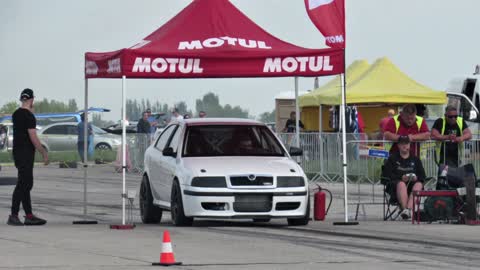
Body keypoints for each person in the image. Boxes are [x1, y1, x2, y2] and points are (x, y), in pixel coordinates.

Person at [8, 88, 48, 226]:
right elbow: (33, 136)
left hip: (17, 152)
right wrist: (43, 152)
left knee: (25, 183)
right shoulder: (29, 116)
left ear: (22, 99)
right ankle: (13, 215)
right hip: (25, 153)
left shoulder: (16, 114)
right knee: (24, 183)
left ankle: (29, 215)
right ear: (31, 100)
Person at [383, 135, 425, 220]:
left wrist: (416, 178)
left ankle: (407, 211)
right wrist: (401, 177)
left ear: (409, 145)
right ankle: (407, 211)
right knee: (401, 184)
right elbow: (387, 174)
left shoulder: (415, 159)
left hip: (412, 186)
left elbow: (423, 175)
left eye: (406, 143)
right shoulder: (392, 158)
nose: (404, 146)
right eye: (402, 143)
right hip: (395, 187)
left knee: (419, 184)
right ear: (398, 145)